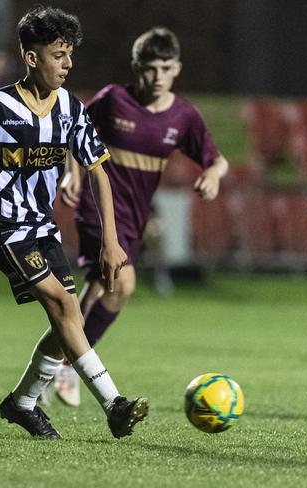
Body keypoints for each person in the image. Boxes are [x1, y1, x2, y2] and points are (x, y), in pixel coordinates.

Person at [0, 6, 148, 439]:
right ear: (32, 58)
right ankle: (114, 404)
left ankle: (22, 403)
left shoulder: (70, 108)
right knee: (63, 307)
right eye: (59, 54)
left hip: (41, 226)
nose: (68, 64)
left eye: (70, 54)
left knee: (69, 322)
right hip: (0, 225)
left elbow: (99, 171)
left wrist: (111, 242)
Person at [54, 27, 229, 406]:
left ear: (177, 69)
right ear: (137, 67)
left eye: (166, 68)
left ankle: (60, 361)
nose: (158, 76)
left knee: (104, 289)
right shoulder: (114, 100)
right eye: (151, 68)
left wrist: (212, 175)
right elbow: (74, 130)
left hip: (133, 218)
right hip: (97, 208)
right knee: (123, 283)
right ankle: (68, 364)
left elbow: (217, 159)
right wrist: (72, 172)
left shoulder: (183, 116)